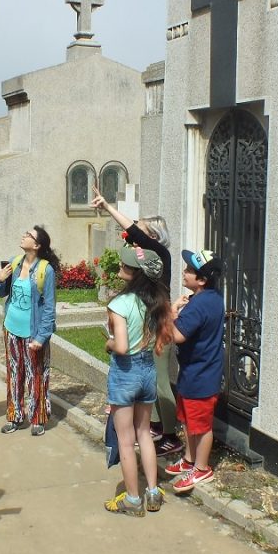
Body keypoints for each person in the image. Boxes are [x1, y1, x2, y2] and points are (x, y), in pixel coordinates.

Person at [91, 186, 184, 457]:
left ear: (152, 236)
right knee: (150, 380)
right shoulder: (145, 259)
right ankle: (155, 424)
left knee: (161, 382)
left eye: (140, 230)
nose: (134, 233)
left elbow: (131, 229)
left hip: (157, 328)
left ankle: (170, 434)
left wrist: (108, 208)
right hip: (147, 325)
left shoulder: (159, 257)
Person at [103, 246, 175, 516]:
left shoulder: (120, 304)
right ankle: (153, 492)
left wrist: (109, 343)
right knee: (144, 433)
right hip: (147, 370)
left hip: (125, 372)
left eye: (126, 264)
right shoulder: (155, 300)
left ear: (135, 273)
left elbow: (121, 346)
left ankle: (133, 499)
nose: (122, 265)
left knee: (125, 439)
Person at [165, 249, 226, 494]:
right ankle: (190, 460)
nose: (185, 272)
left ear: (201, 280)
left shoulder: (198, 305)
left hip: (200, 376)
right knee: (189, 421)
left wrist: (171, 313)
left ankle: (201, 468)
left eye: (190, 270)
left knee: (200, 426)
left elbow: (177, 336)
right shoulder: (211, 298)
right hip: (196, 373)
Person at [0, 225, 61, 436]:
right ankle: (15, 417)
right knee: (14, 374)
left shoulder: (45, 270)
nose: (23, 236)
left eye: (29, 235)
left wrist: (42, 337)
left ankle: (38, 418)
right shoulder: (16, 262)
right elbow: (4, 293)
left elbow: (49, 308)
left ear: (37, 245)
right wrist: (0, 280)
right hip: (11, 329)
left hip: (33, 334)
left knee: (36, 375)